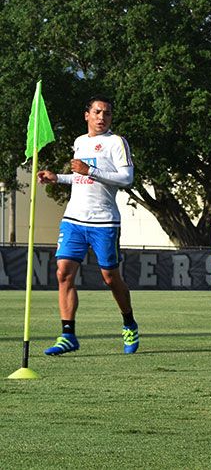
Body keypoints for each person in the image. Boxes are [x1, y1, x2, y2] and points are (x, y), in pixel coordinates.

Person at [38, 95, 139, 356]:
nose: (102, 118)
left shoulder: (117, 142)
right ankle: (68, 334)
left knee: (109, 277)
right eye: (97, 112)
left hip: (104, 221)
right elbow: (79, 178)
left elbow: (127, 178)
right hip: (74, 219)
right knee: (63, 273)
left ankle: (128, 322)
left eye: (106, 114)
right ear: (87, 115)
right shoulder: (80, 142)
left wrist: (89, 171)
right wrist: (57, 178)